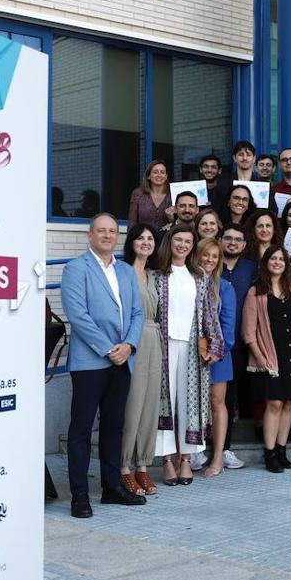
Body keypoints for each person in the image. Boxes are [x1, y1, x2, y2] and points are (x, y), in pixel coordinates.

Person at [61, 214, 146, 517]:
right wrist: (110, 349)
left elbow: (138, 312)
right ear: (90, 235)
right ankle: (79, 496)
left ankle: (111, 488)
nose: (108, 235)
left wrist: (129, 346)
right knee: (82, 429)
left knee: (114, 427)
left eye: (112, 231)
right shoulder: (76, 269)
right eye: (102, 231)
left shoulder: (125, 270)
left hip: (123, 360)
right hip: (90, 362)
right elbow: (78, 315)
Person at [151, 223, 223, 486]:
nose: (182, 245)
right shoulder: (157, 274)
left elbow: (209, 313)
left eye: (187, 242)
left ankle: (185, 460)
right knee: (165, 402)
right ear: (170, 242)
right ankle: (167, 460)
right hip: (162, 347)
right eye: (178, 240)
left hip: (192, 349)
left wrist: (215, 346)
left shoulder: (199, 276)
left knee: (189, 403)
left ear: (193, 246)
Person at [243, 245, 291, 473]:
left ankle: (282, 450)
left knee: (289, 402)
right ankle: (270, 453)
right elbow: (248, 332)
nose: (277, 262)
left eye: (281, 259)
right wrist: (259, 356)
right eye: (273, 258)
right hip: (270, 354)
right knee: (274, 403)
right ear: (266, 262)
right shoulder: (256, 291)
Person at [120, 223, 163, 497]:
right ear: (131, 242)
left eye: (150, 238)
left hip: (154, 338)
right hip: (132, 339)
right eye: (140, 238)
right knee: (132, 404)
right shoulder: (122, 271)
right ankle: (124, 467)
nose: (146, 242)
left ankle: (143, 465)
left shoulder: (154, 275)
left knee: (149, 405)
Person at [194, 238, 237, 479]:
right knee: (190, 404)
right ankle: (191, 454)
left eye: (214, 256)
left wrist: (216, 351)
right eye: (205, 255)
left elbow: (228, 326)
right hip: (191, 353)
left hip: (218, 354)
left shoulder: (225, 288)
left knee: (216, 403)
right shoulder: (189, 282)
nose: (209, 260)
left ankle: (218, 456)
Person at [219, 222, 257, 457]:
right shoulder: (211, 264)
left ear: (244, 245)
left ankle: (225, 448)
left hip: (240, 342)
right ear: (221, 240)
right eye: (228, 238)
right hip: (212, 341)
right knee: (214, 398)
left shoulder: (252, 268)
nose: (232, 242)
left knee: (230, 397)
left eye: (237, 240)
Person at [128, 159, 172, 228]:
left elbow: (178, 224)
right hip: (143, 237)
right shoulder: (138, 194)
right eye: (155, 172)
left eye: (162, 172)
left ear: (166, 176)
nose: (159, 175)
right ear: (148, 176)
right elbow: (132, 222)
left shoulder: (172, 195)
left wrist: (171, 218)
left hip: (166, 237)